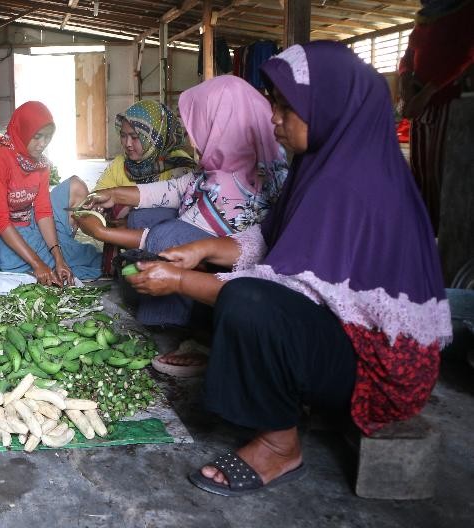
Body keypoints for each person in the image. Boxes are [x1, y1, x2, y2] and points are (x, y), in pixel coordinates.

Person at [125, 41, 451, 495]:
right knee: (224, 291)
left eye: (286, 108)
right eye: (274, 105)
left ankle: (279, 446)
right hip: (341, 338)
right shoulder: (320, 163)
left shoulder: (354, 185)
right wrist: (201, 251)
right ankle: (260, 380)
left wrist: (181, 279)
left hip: (378, 370)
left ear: (330, 108)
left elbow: (285, 295)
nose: (273, 118)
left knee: (246, 301)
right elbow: (269, 240)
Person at [79, 76, 286, 334]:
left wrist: (101, 233)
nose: (191, 138)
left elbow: (172, 237)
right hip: (210, 254)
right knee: (143, 218)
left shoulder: (234, 186)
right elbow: (177, 188)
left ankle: (171, 322)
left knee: (167, 234)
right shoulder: (227, 165)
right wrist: (115, 194)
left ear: (223, 124)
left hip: (230, 279)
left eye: (199, 125)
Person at [0, 101, 102, 284]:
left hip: (31, 224)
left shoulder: (40, 163)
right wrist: (37, 263)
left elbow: (43, 211)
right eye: (37, 137)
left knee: (67, 258)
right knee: (20, 263)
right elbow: (1, 222)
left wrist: (58, 256)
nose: (42, 144)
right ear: (23, 131)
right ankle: (45, 257)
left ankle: (58, 254)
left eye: (47, 137)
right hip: (5, 232)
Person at [398, 0, 474, 235]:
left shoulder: (466, 11)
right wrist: (405, 83)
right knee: (421, 171)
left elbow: (466, 56)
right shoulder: (425, 17)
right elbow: (408, 56)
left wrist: (430, 90)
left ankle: (444, 235)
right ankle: (425, 230)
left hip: (448, 102)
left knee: (441, 172)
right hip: (422, 104)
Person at [93, 99, 195, 229]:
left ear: (155, 136)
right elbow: (98, 195)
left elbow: (186, 214)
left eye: (135, 137)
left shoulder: (179, 165)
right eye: (123, 136)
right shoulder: (120, 164)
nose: (128, 143)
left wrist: (131, 220)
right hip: (124, 236)